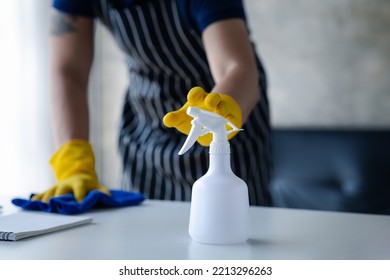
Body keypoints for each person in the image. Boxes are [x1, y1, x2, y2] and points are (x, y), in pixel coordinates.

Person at [33, 0, 272, 206]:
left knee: (231, 231)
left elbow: (237, 68)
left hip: (227, 124)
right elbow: (69, 71)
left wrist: (218, 113)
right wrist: (73, 162)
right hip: (145, 130)